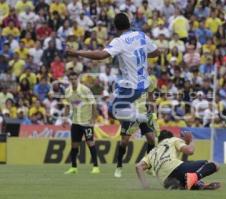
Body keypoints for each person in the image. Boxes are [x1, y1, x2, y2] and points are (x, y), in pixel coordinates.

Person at [66, 13, 160, 178]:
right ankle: (140, 120)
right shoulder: (141, 35)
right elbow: (156, 52)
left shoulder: (120, 41)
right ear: (130, 23)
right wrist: (143, 55)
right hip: (142, 86)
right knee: (126, 122)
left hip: (131, 88)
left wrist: (78, 53)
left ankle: (141, 118)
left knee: (112, 110)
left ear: (116, 28)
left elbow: (102, 55)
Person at [135, 130, 220, 190]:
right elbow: (190, 151)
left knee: (186, 181)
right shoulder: (172, 140)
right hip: (176, 168)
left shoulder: (152, 152)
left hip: (166, 182)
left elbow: (138, 166)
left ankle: (199, 185)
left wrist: (145, 185)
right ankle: (196, 178)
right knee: (214, 164)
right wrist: (191, 140)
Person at [64, 72, 100, 174]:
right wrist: (64, 118)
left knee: (90, 142)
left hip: (86, 122)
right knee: (74, 145)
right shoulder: (67, 91)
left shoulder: (84, 90)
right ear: (69, 80)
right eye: (71, 79)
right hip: (75, 122)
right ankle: (73, 167)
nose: (73, 81)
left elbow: (93, 103)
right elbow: (67, 105)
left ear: (78, 79)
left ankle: (96, 167)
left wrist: (93, 118)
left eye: (75, 79)